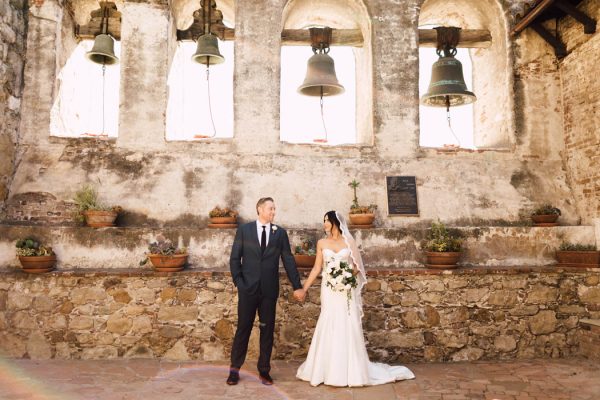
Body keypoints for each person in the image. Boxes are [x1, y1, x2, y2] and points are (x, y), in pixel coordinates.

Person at [296, 211, 415, 387]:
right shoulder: (322, 243)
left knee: (346, 322)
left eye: (326, 221)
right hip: (329, 290)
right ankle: (325, 369)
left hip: (345, 290)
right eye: (324, 222)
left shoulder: (348, 242)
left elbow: (358, 267)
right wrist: (304, 289)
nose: (324, 225)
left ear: (335, 222)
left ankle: (350, 371)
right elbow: (316, 269)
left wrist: (346, 279)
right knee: (329, 321)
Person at [228, 197, 306, 386]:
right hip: (248, 290)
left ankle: (264, 371)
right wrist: (239, 282)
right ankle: (234, 371)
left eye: (274, 209)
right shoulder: (244, 230)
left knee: (267, 330)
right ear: (260, 209)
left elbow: (287, 259)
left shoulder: (280, 233)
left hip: (269, 291)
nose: (273, 212)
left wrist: (297, 286)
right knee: (243, 329)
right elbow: (234, 258)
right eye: (270, 209)